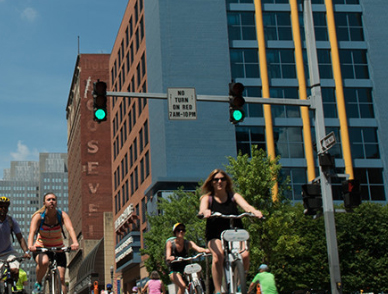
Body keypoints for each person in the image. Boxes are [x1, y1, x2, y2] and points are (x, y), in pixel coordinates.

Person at [198, 169, 263, 294]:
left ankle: (240, 284)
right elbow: (203, 209)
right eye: (216, 179)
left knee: (245, 255)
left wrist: (254, 212)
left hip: (235, 232)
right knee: (218, 256)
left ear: (227, 182)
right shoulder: (208, 198)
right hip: (215, 234)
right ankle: (217, 290)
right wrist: (205, 212)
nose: (220, 181)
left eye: (222, 179)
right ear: (212, 182)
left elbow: (246, 206)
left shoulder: (234, 196)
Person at [28, 192, 79, 294]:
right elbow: (32, 232)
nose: (51, 201)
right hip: (41, 248)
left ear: (56, 202)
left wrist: (75, 242)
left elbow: (70, 229)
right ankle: (38, 282)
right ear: (44, 203)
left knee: (61, 278)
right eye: (49, 200)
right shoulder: (38, 217)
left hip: (58, 249)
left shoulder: (62, 215)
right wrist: (30, 246)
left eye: (54, 199)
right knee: (44, 262)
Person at [165, 223, 210, 294]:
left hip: (185, 267)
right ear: (175, 232)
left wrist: (206, 250)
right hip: (174, 270)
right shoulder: (170, 243)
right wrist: (170, 258)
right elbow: (168, 256)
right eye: (178, 230)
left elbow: (198, 248)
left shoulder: (188, 243)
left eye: (183, 230)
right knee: (182, 286)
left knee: (197, 273)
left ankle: (196, 288)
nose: (181, 232)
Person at [0, 196, 31, 283]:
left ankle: (11, 287)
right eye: (1, 206)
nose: (3, 209)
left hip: (8, 252)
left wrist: (26, 252)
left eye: (5, 207)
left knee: (15, 270)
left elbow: (20, 238)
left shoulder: (11, 221)